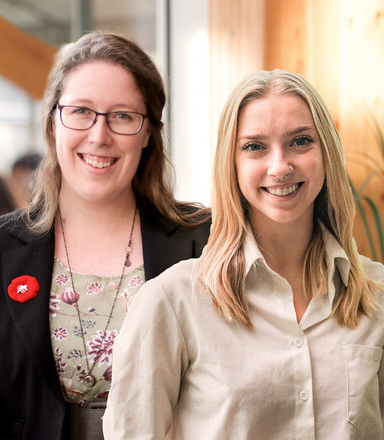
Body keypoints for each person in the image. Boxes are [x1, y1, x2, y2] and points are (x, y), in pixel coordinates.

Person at [0, 31, 211, 439]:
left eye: (122, 116)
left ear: (148, 133)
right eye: (81, 111)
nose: (99, 136)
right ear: (53, 123)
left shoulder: (203, 242)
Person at [103, 69, 384, 439]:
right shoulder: (173, 300)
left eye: (300, 141)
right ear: (231, 164)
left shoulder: (376, 293)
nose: (280, 166)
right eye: (254, 146)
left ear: (326, 153)